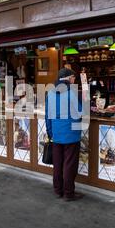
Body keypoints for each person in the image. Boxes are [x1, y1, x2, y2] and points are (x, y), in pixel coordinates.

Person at [45, 68, 84, 202]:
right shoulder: (71, 93)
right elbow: (80, 113)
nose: (74, 80)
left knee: (58, 164)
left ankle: (58, 190)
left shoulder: (50, 93)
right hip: (71, 134)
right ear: (68, 79)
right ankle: (68, 193)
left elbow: (47, 116)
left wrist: (50, 132)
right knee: (69, 165)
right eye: (73, 78)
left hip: (56, 134)